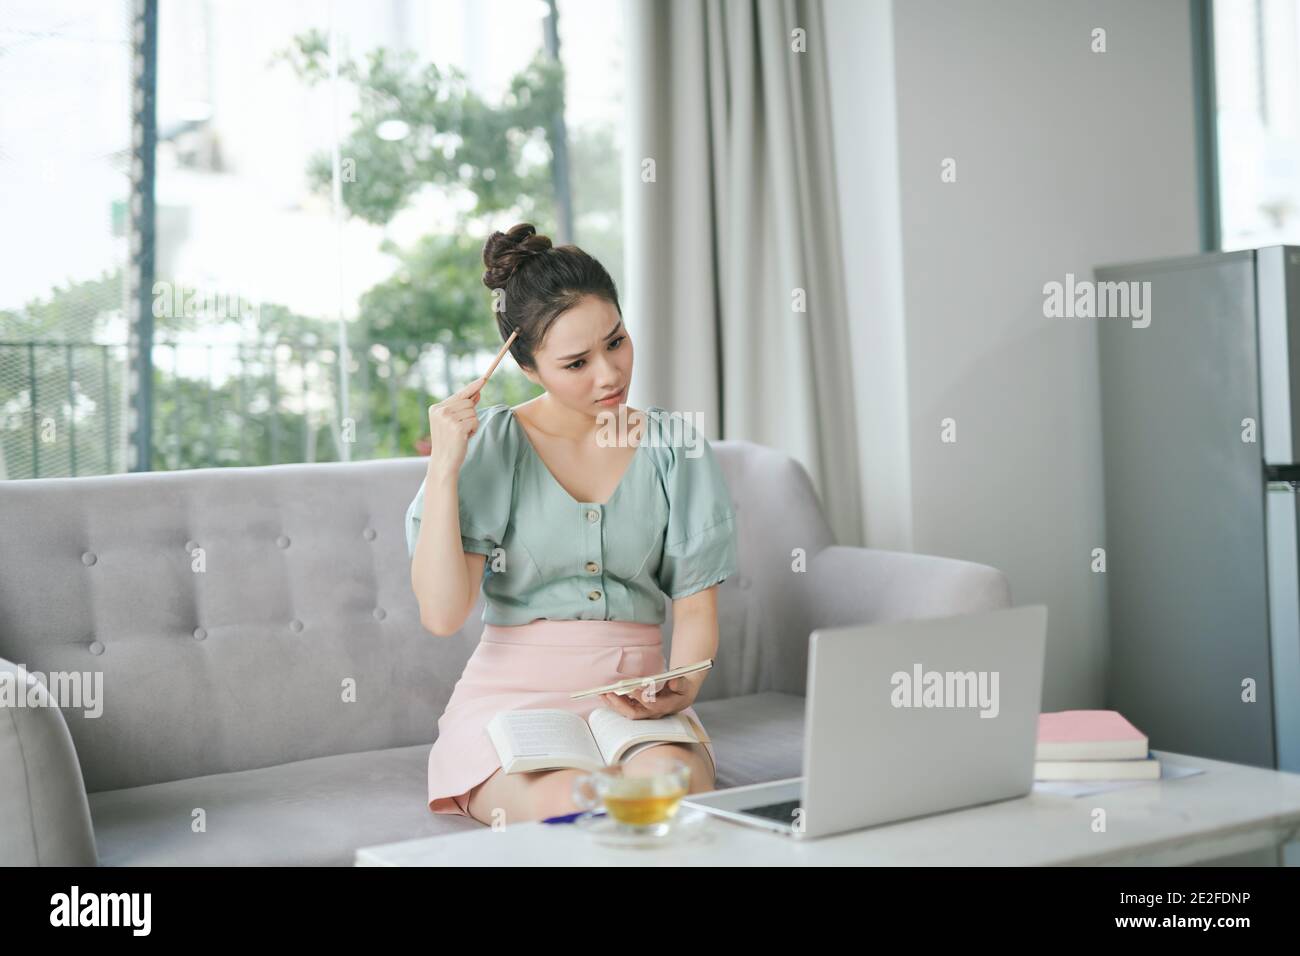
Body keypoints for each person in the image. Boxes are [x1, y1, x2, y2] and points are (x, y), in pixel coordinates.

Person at [405, 223, 738, 825]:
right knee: (580, 809)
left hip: (633, 704)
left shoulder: (671, 444)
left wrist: (680, 687)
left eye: (616, 342)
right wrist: (446, 469)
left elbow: (694, 608)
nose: (609, 375)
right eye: (577, 362)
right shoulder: (497, 446)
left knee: (668, 796)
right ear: (528, 367)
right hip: (511, 702)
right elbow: (442, 613)